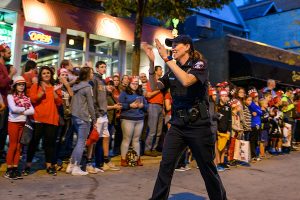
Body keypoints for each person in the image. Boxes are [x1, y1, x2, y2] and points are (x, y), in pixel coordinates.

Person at [142, 35, 227, 200]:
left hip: (199, 126)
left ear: (187, 46)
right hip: (178, 126)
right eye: (171, 45)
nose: (173, 47)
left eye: (176, 44)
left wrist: (166, 59)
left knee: (207, 169)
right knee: (166, 165)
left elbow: (187, 80)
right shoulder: (171, 69)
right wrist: (152, 63)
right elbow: (153, 87)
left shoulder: (199, 65)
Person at [24, 66, 62, 176]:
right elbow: (32, 99)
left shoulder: (55, 87)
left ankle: (49, 166)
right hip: (38, 118)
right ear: (41, 75)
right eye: (44, 73)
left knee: (49, 144)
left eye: (48, 73)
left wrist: (54, 92)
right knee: (33, 143)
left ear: (51, 74)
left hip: (52, 118)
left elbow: (59, 102)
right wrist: (43, 92)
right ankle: (28, 166)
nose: (46, 75)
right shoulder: (36, 86)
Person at [66, 67, 96, 176]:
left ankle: (71, 165)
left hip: (74, 116)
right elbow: (91, 105)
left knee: (79, 141)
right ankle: (76, 167)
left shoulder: (76, 86)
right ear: (87, 75)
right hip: (83, 117)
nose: (93, 74)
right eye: (92, 72)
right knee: (81, 142)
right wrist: (94, 119)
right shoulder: (88, 87)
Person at [5, 76, 34, 180]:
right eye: (19, 84)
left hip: (23, 123)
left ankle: (15, 168)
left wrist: (21, 110)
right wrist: (24, 109)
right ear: (15, 85)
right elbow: (13, 109)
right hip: (13, 123)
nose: (21, 86)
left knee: (19, 147)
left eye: (23, 85)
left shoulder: (26, 97)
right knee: (12, 146)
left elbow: (32, 111)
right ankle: (9, 170)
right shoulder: (10, 96)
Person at [119, 77, 147, 167]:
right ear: (129, 84)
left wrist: (142, 106)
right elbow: (120, 105)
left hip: (139, 118)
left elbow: (147, 106)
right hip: (128, 118)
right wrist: (130, 105)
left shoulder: (140, 93)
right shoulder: (124, 93)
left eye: (136, 83)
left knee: (136, 140)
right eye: (133, 83)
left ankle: (137, 158)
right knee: (127, 139)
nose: (135, 85)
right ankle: (123, 159)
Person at [144, 65, 164, 157]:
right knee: (152, 129)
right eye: (160, 69)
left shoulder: (161, 82)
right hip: (153, 105)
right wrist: (159, 90)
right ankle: (147, 149)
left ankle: (154, 148)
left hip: (160, 106)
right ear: (155, 71)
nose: (162, 71)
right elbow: (148, 95)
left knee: (159, 131)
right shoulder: (151, 82)